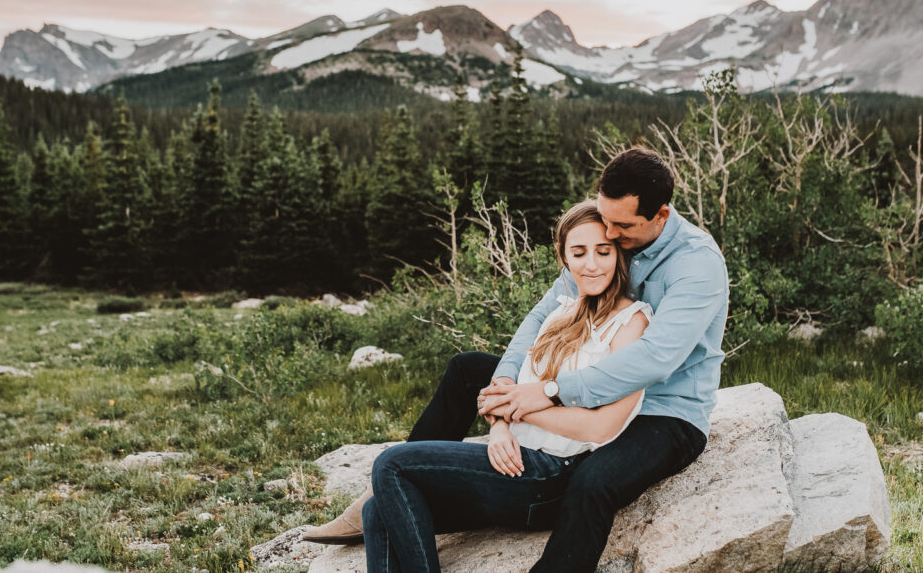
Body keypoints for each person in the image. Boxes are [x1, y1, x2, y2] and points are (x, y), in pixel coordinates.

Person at [306, 147, 729, 573]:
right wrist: (505, 392)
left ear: (660, 215)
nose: (610, 233)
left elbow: (655, 358)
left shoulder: (695, 263)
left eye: (621, 227)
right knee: (468, 369)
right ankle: (387, 487)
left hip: (663, 410)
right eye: (605, 218)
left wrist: (549, 393)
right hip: (588, 378)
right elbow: (540, 318)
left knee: (594, 480)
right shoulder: (601, 241)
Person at [359, 199, 653, 572]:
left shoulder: (631, 323)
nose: (591, 264)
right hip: (513, 463)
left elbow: (601, 427)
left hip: (550, 474)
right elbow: (511, 390)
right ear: (564, 257)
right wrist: (499, 428)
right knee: (377, 508)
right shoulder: (561, 311)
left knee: (391, 464)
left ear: (619, 254)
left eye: (603, 251)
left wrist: (522, 408)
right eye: (579, 253)